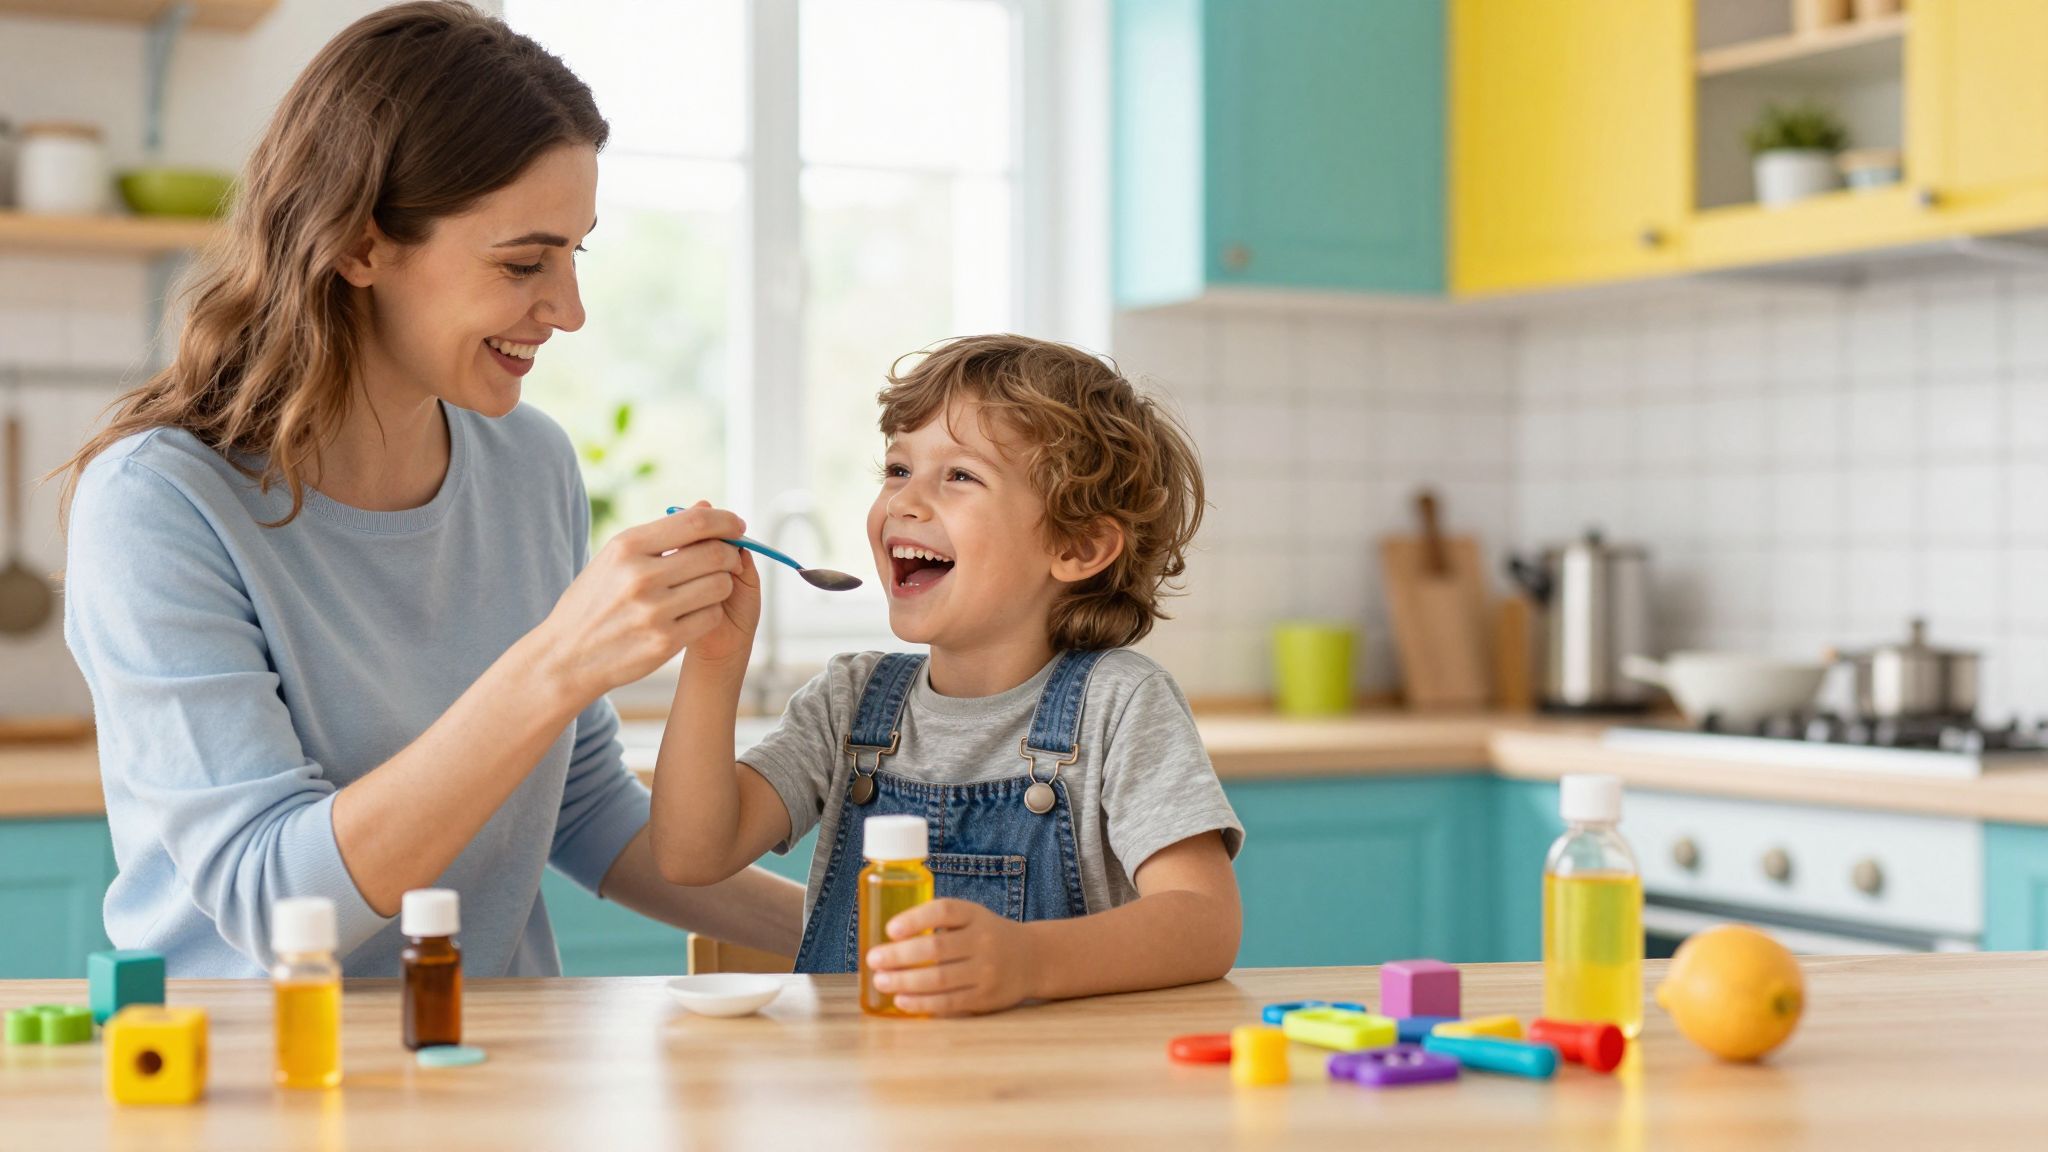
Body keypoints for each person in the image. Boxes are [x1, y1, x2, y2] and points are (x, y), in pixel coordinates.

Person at [57, 1, 801, 977]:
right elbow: (270, 895)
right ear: (361, 247)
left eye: (576, 256)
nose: (568, 310)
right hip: (257, 1091)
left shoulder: (526, 463)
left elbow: (580, 808)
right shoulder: (160, 503)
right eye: (524, 261)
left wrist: (871, 934)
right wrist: (557, 664)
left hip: (482, 1070)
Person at [651, 334, 1243, 1015]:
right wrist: (714, 661)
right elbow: (691, 855)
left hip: (1054, 1102)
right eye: (898, 469)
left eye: (959, 476)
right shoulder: (849, 702)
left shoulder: (1119, 705)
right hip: (864, 1094)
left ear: (1078, 545)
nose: (904, 502)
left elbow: (1205, 921)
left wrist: (1028, 962)